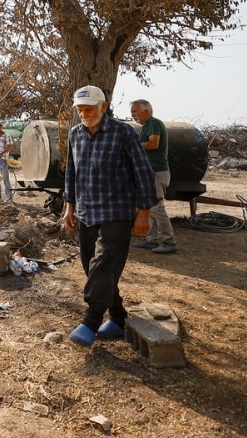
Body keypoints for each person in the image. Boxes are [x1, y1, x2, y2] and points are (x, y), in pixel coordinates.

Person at [62, 86, 156, 347]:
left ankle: (90, 320)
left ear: (103, 107)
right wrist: (69, 207)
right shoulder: (75, 134)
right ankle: (117, 318)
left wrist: (144, 212)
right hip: (85, 211)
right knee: (92, 267)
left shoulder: (123, 132)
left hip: (118, 211)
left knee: (103, 264)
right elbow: (71, 172)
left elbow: (143, 172)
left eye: (89, 109)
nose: (84, 114)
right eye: (80, 109)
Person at [130, 99, 177, 254]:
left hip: (157, 172)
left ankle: (169, 241)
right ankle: (151, 240)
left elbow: (153, 144)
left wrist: (134, 146)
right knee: (148, 206)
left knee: (156, 207)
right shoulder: (146, 126)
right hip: (150, 172)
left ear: (146, 111)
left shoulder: (153, 123)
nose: (132, 114)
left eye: (135, 111)